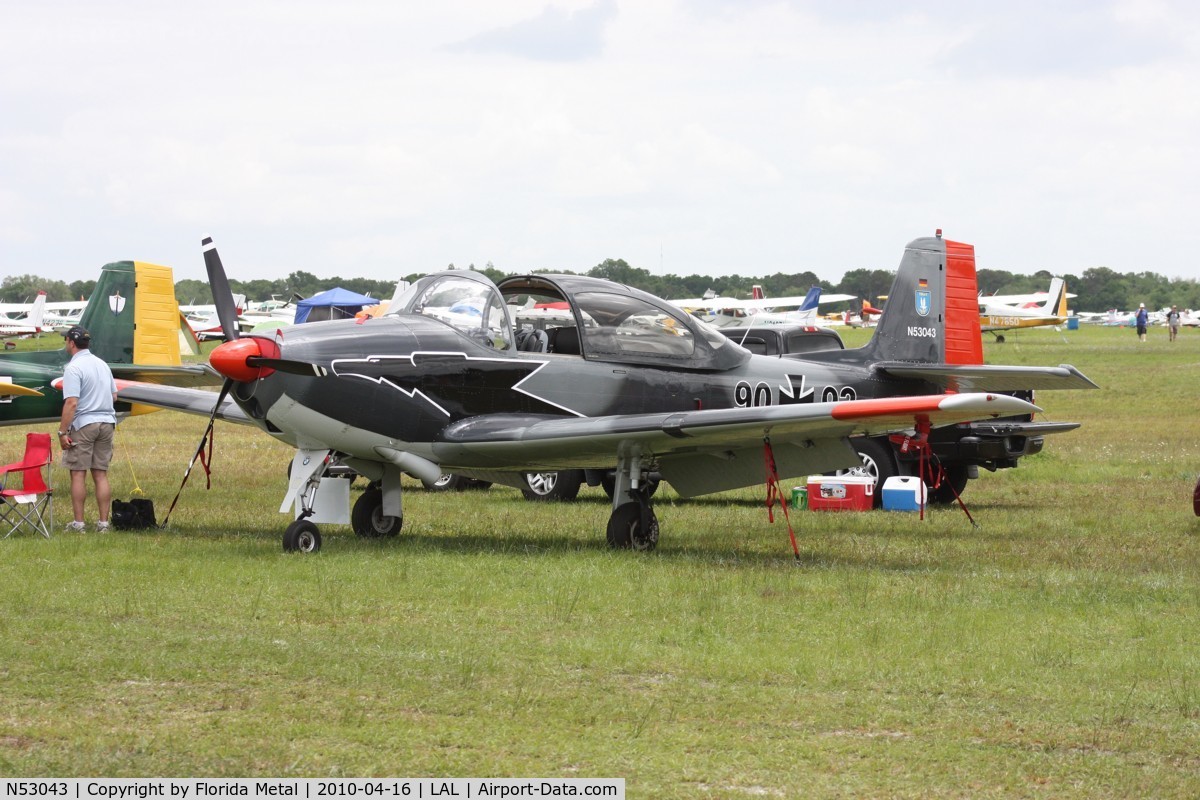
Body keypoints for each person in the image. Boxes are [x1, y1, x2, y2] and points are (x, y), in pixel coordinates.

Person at [57, 325, 118, 532]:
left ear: (71, 343)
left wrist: (62, 432)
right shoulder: (102, 365)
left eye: (66, 340)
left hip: (84, 424)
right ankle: (103, 524)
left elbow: (72, 402)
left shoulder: (73, 368)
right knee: (100, 475)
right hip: (107, 423)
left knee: (78, 473)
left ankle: (79, 524)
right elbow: (114, 396)